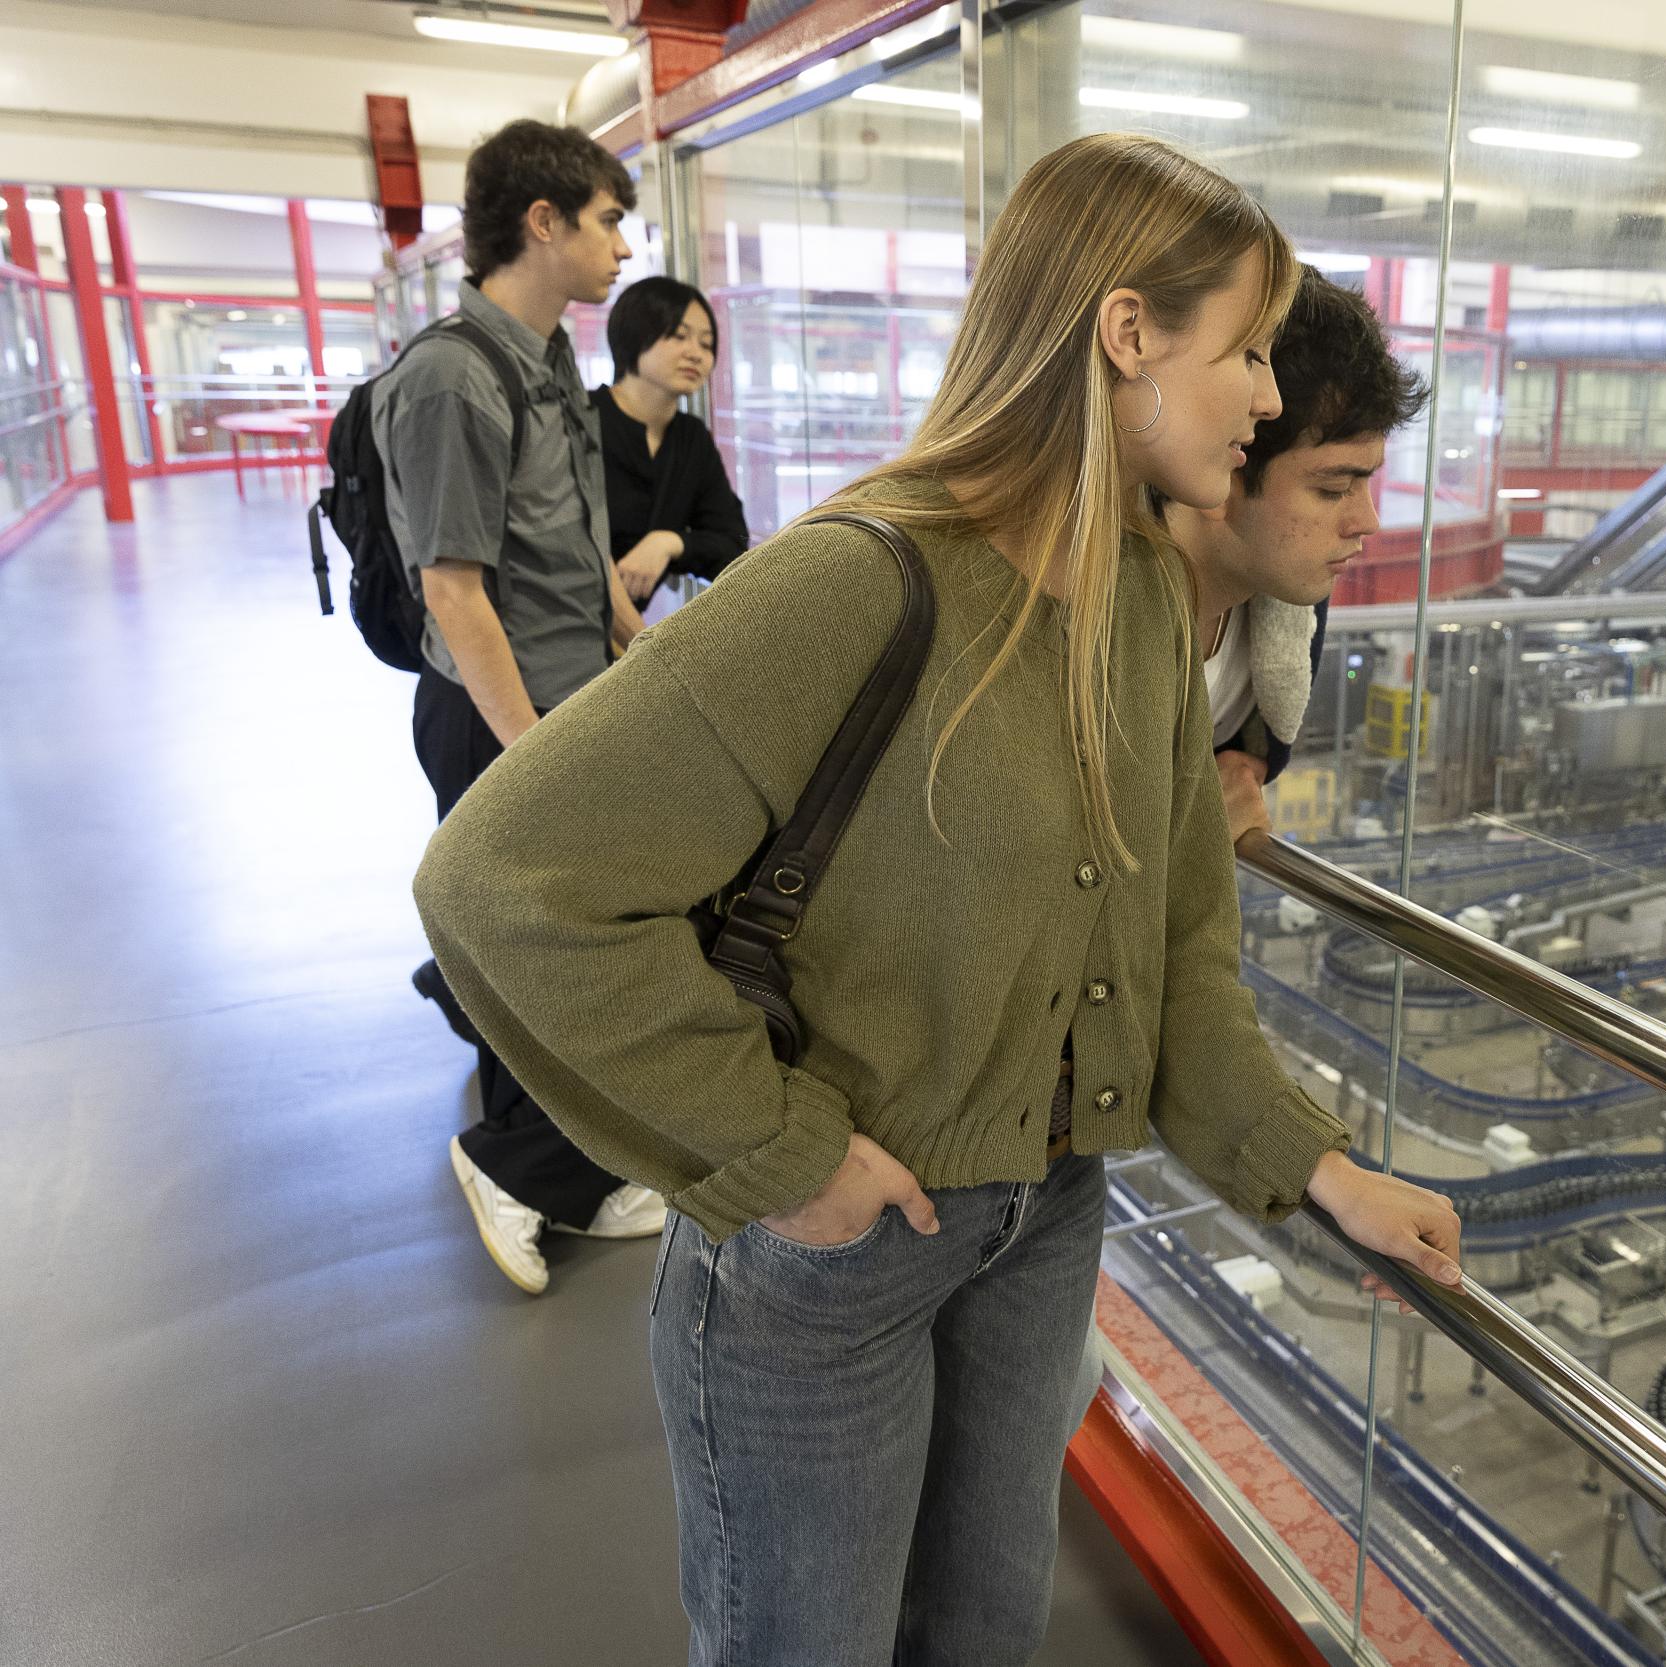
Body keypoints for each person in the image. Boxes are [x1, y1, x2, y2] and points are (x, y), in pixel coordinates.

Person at [412, 132, 1463, 1664]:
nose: (1261, 396)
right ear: (1126, 334)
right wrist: (781, 1151)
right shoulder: (858, 578)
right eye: (1243, 351)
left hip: (1045, 1218)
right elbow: (504, 878)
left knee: (983, 1627)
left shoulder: (1145, 605)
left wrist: (1319, 1165)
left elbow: (1176, 951)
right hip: (825, 1264)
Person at [379, 118, 662, 1293]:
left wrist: (632, 639)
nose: (623, 247)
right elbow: (454, 588)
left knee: (553, 943)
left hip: (567, 703)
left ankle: (566, 1166)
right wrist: (534, 753)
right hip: (501, 716)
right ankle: (515, 1162)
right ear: (542, 222)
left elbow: (569, 539)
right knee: (562, 950)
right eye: (607, 221)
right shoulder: (451, 377)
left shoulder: (547, 361)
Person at [1161, 268, 1427, 841]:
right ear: (1223, 466)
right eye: (1333, 488)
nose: (1367, 522)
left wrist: (1238, 773)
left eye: (1366, 483)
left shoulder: (1290, 596)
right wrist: (1184, 824)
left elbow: (1234, 762)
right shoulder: (1081, 621)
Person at [592, 276, 750, 606]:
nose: (696, 354)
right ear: (634, 335)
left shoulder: (691, 438)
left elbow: (732, 545)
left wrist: (669, 542)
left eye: (706, 344)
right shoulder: (582, 418)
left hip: (622, 628)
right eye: (679, 336)